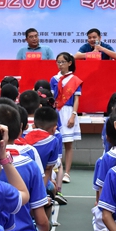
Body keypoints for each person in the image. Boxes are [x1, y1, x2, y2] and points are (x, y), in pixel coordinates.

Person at [50, 52, 83, 184]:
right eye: (58, 62)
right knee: (55, 141)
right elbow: (51, 98)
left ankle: (67, 173)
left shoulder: (75, 80)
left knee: (68, 144)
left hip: (69, 112)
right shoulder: (54, 79)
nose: (60, 64)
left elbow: (76, 100)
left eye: (63, 62)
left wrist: (73, 116)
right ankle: (55, 170)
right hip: (56, 112)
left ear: (70, 63)